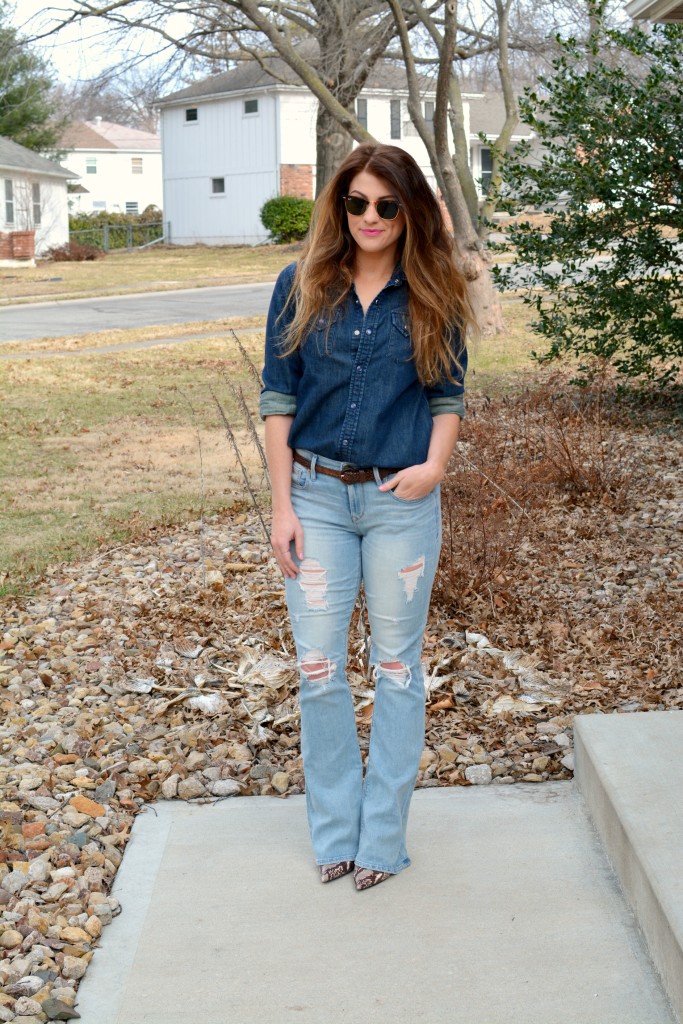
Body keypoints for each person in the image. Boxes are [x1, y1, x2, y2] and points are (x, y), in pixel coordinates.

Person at [260, 143, 473, 891]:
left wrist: (435, 467)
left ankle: (381, 838)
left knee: (395, 668)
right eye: (357, 203)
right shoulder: (300, 286)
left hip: (399, 505)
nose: (370, 217)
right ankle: (333, 833)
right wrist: (282, 506)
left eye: (387, 204)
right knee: (318, 670)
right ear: (339, 206)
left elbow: (446, 397)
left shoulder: (434, 290)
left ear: (408, 210)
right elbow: (278, 400)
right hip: (315, 498)